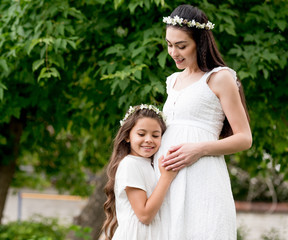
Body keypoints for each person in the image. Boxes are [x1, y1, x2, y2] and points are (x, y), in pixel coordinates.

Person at [154, 4, 252, 240]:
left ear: (200, 42)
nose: (174, 53)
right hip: (167, 180)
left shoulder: (220, 78)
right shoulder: (172, 81)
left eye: (181, 46)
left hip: (203, 177)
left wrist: (198, 149)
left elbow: (244, 138)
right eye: (169, 45)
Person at [102, 104, 177, 240]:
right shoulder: (130, 164)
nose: (148, 139)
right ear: (127, 136)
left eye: (155, 135)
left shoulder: (149, 164)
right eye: (141, 134)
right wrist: (166, 178)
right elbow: (144, 215)